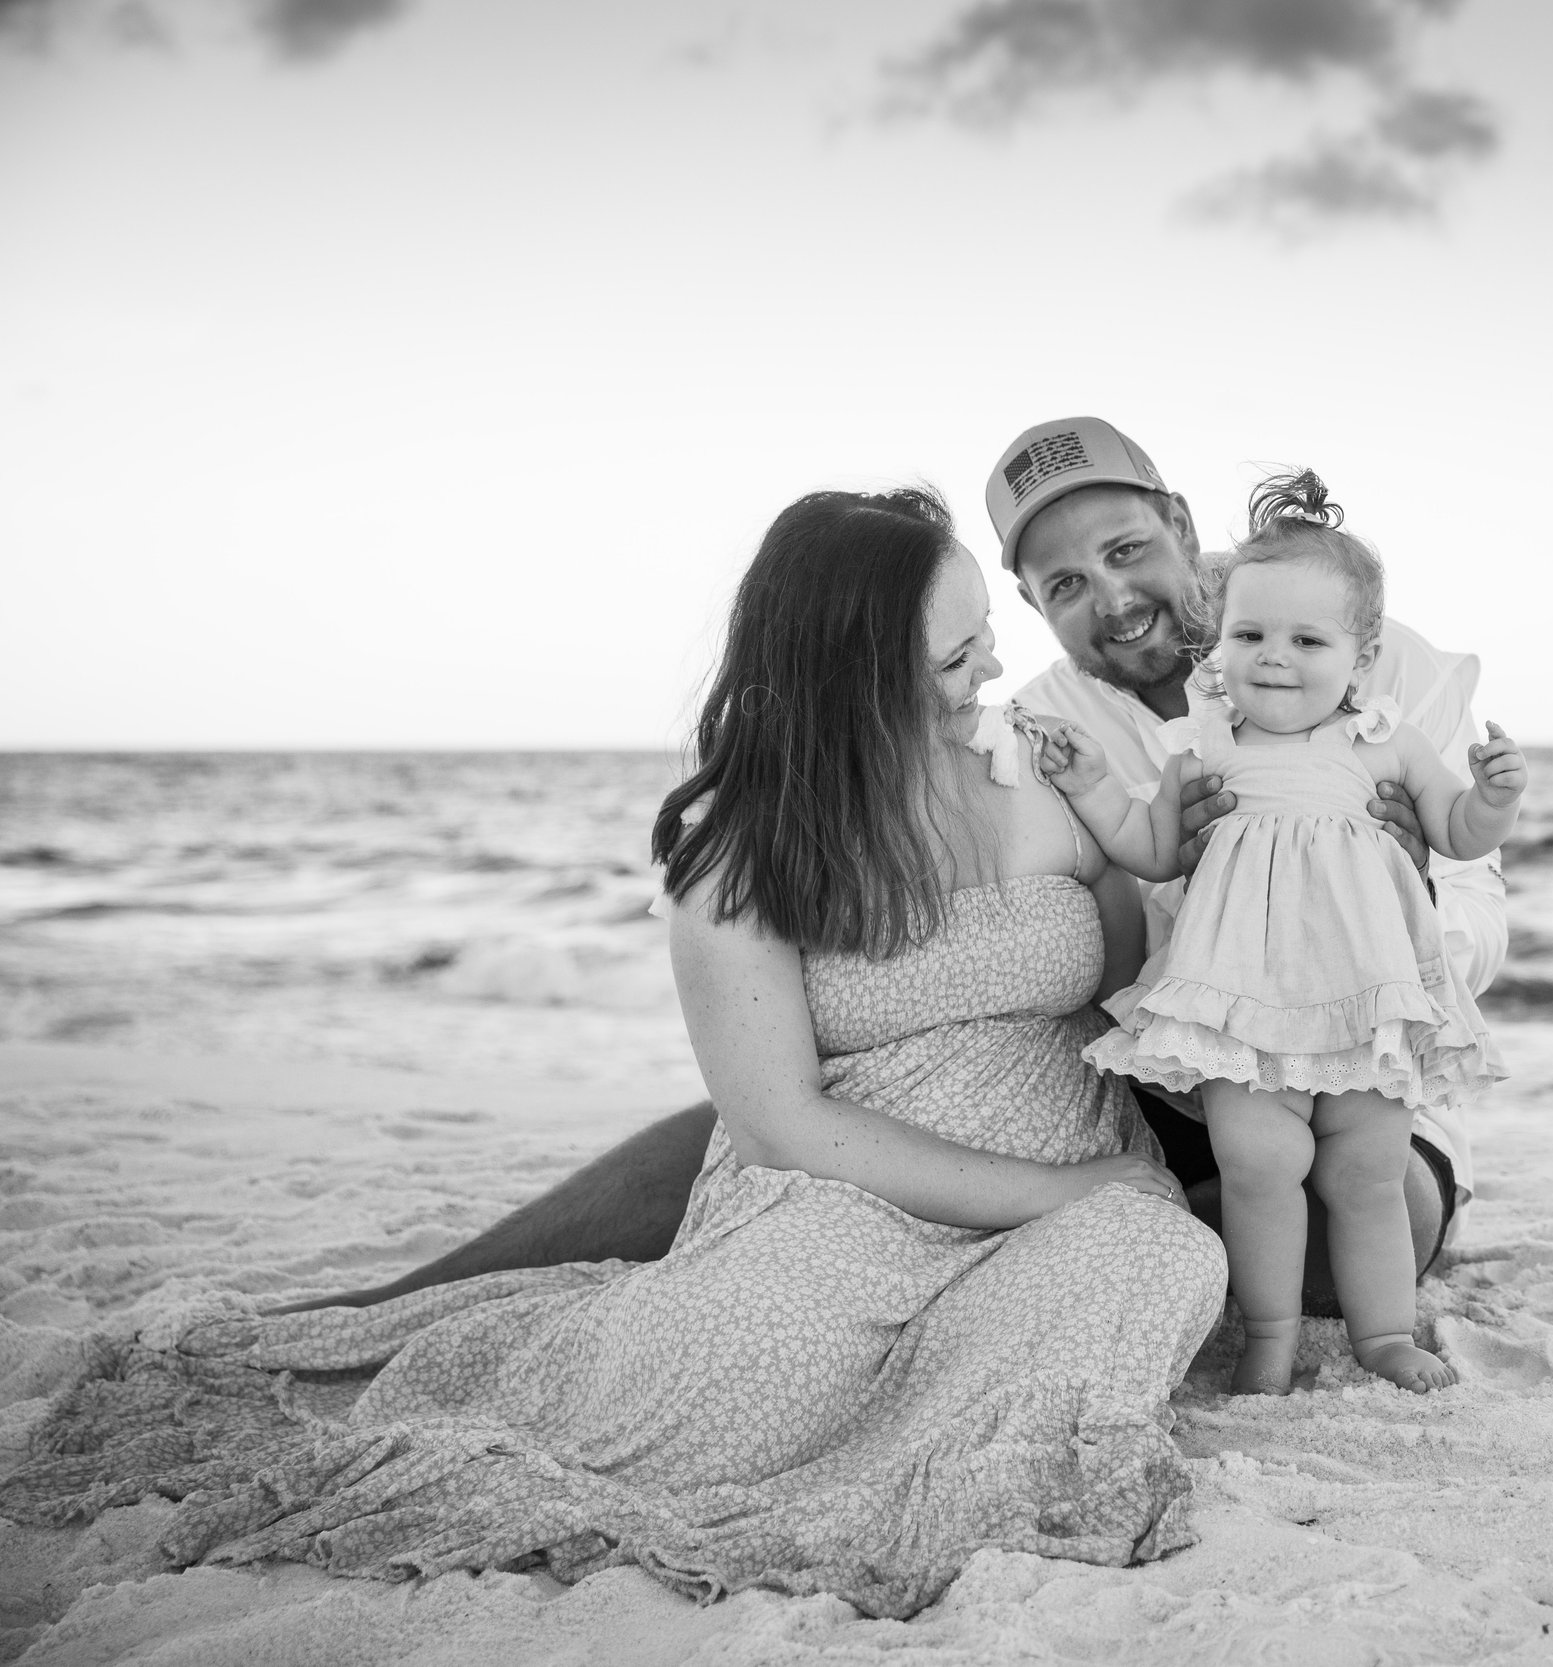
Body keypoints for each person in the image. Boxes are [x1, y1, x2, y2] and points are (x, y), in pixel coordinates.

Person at [1, 490, 1229, 1617]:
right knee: (730, 1375)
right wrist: (1048, 1189)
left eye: (982, 638)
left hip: (1075, 1175)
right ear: (851, 670)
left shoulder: (1038, 771)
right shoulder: (741, 846)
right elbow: (778, 1122)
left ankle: (939, 1433)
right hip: (848, 1187)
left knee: (1156, 1257)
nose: (994, 667)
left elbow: (1113, 993)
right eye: (954, 652)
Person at [293, 415, 1507, 1316]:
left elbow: (1479, 926)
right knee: (762, 1111)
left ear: (1183, 527)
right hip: (1141, 1067)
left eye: (1129, 550)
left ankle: (1113, 1243)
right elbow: (926, 847)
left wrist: (1355, 895)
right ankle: (431, 1289)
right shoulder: (1037, 723)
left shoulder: (1354, 655)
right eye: (1064, 584)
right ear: (1026, 603)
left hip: (1347, 1064)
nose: (1115, 600)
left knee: (1371, 1210)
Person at [1036, 469, 1525, 1396]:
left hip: (1359, 1005)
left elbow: (1460, 835)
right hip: (1243, 1016)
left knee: (1369, 1172)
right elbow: (1148, 845)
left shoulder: (1384, 742)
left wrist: (1494, 796)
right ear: (1216, 646)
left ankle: (1384, 1335)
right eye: (1250, 635)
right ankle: (1267, 1338)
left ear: (1361, 651)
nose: (1274, 658)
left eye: (1307, 640)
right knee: (1258, 1167)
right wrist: (1092, 781)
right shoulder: (1206, 746)